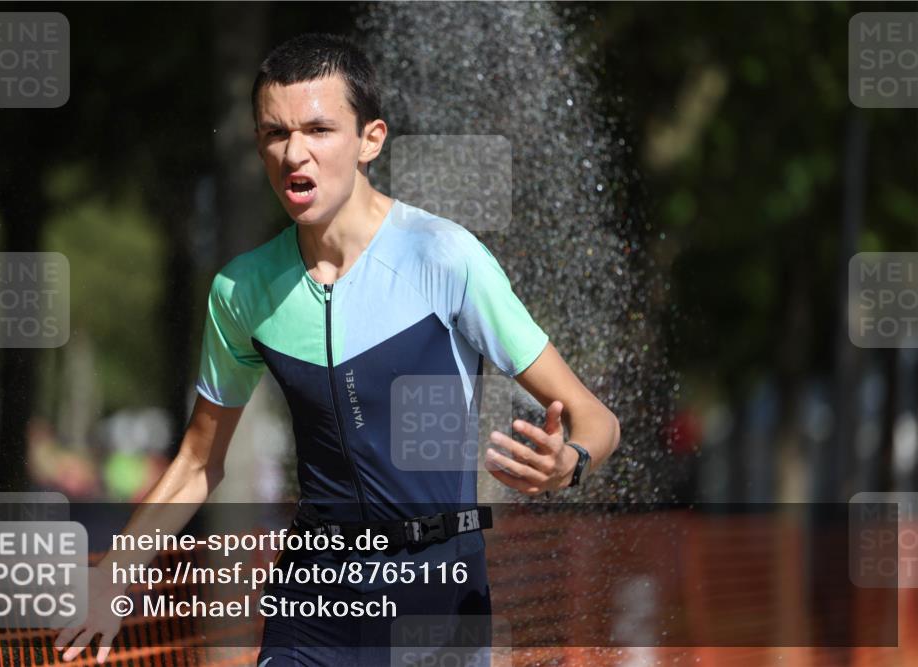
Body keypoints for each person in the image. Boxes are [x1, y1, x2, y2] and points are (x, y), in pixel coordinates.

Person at [56, 32, 620, 666]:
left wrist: (569, 462)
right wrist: (115, 574)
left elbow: (596, 419)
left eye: (319, 130)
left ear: (370, 140)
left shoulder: (444, 256)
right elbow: (197, 461)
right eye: (275, 133)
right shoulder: (242, 291)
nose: (295, 153)